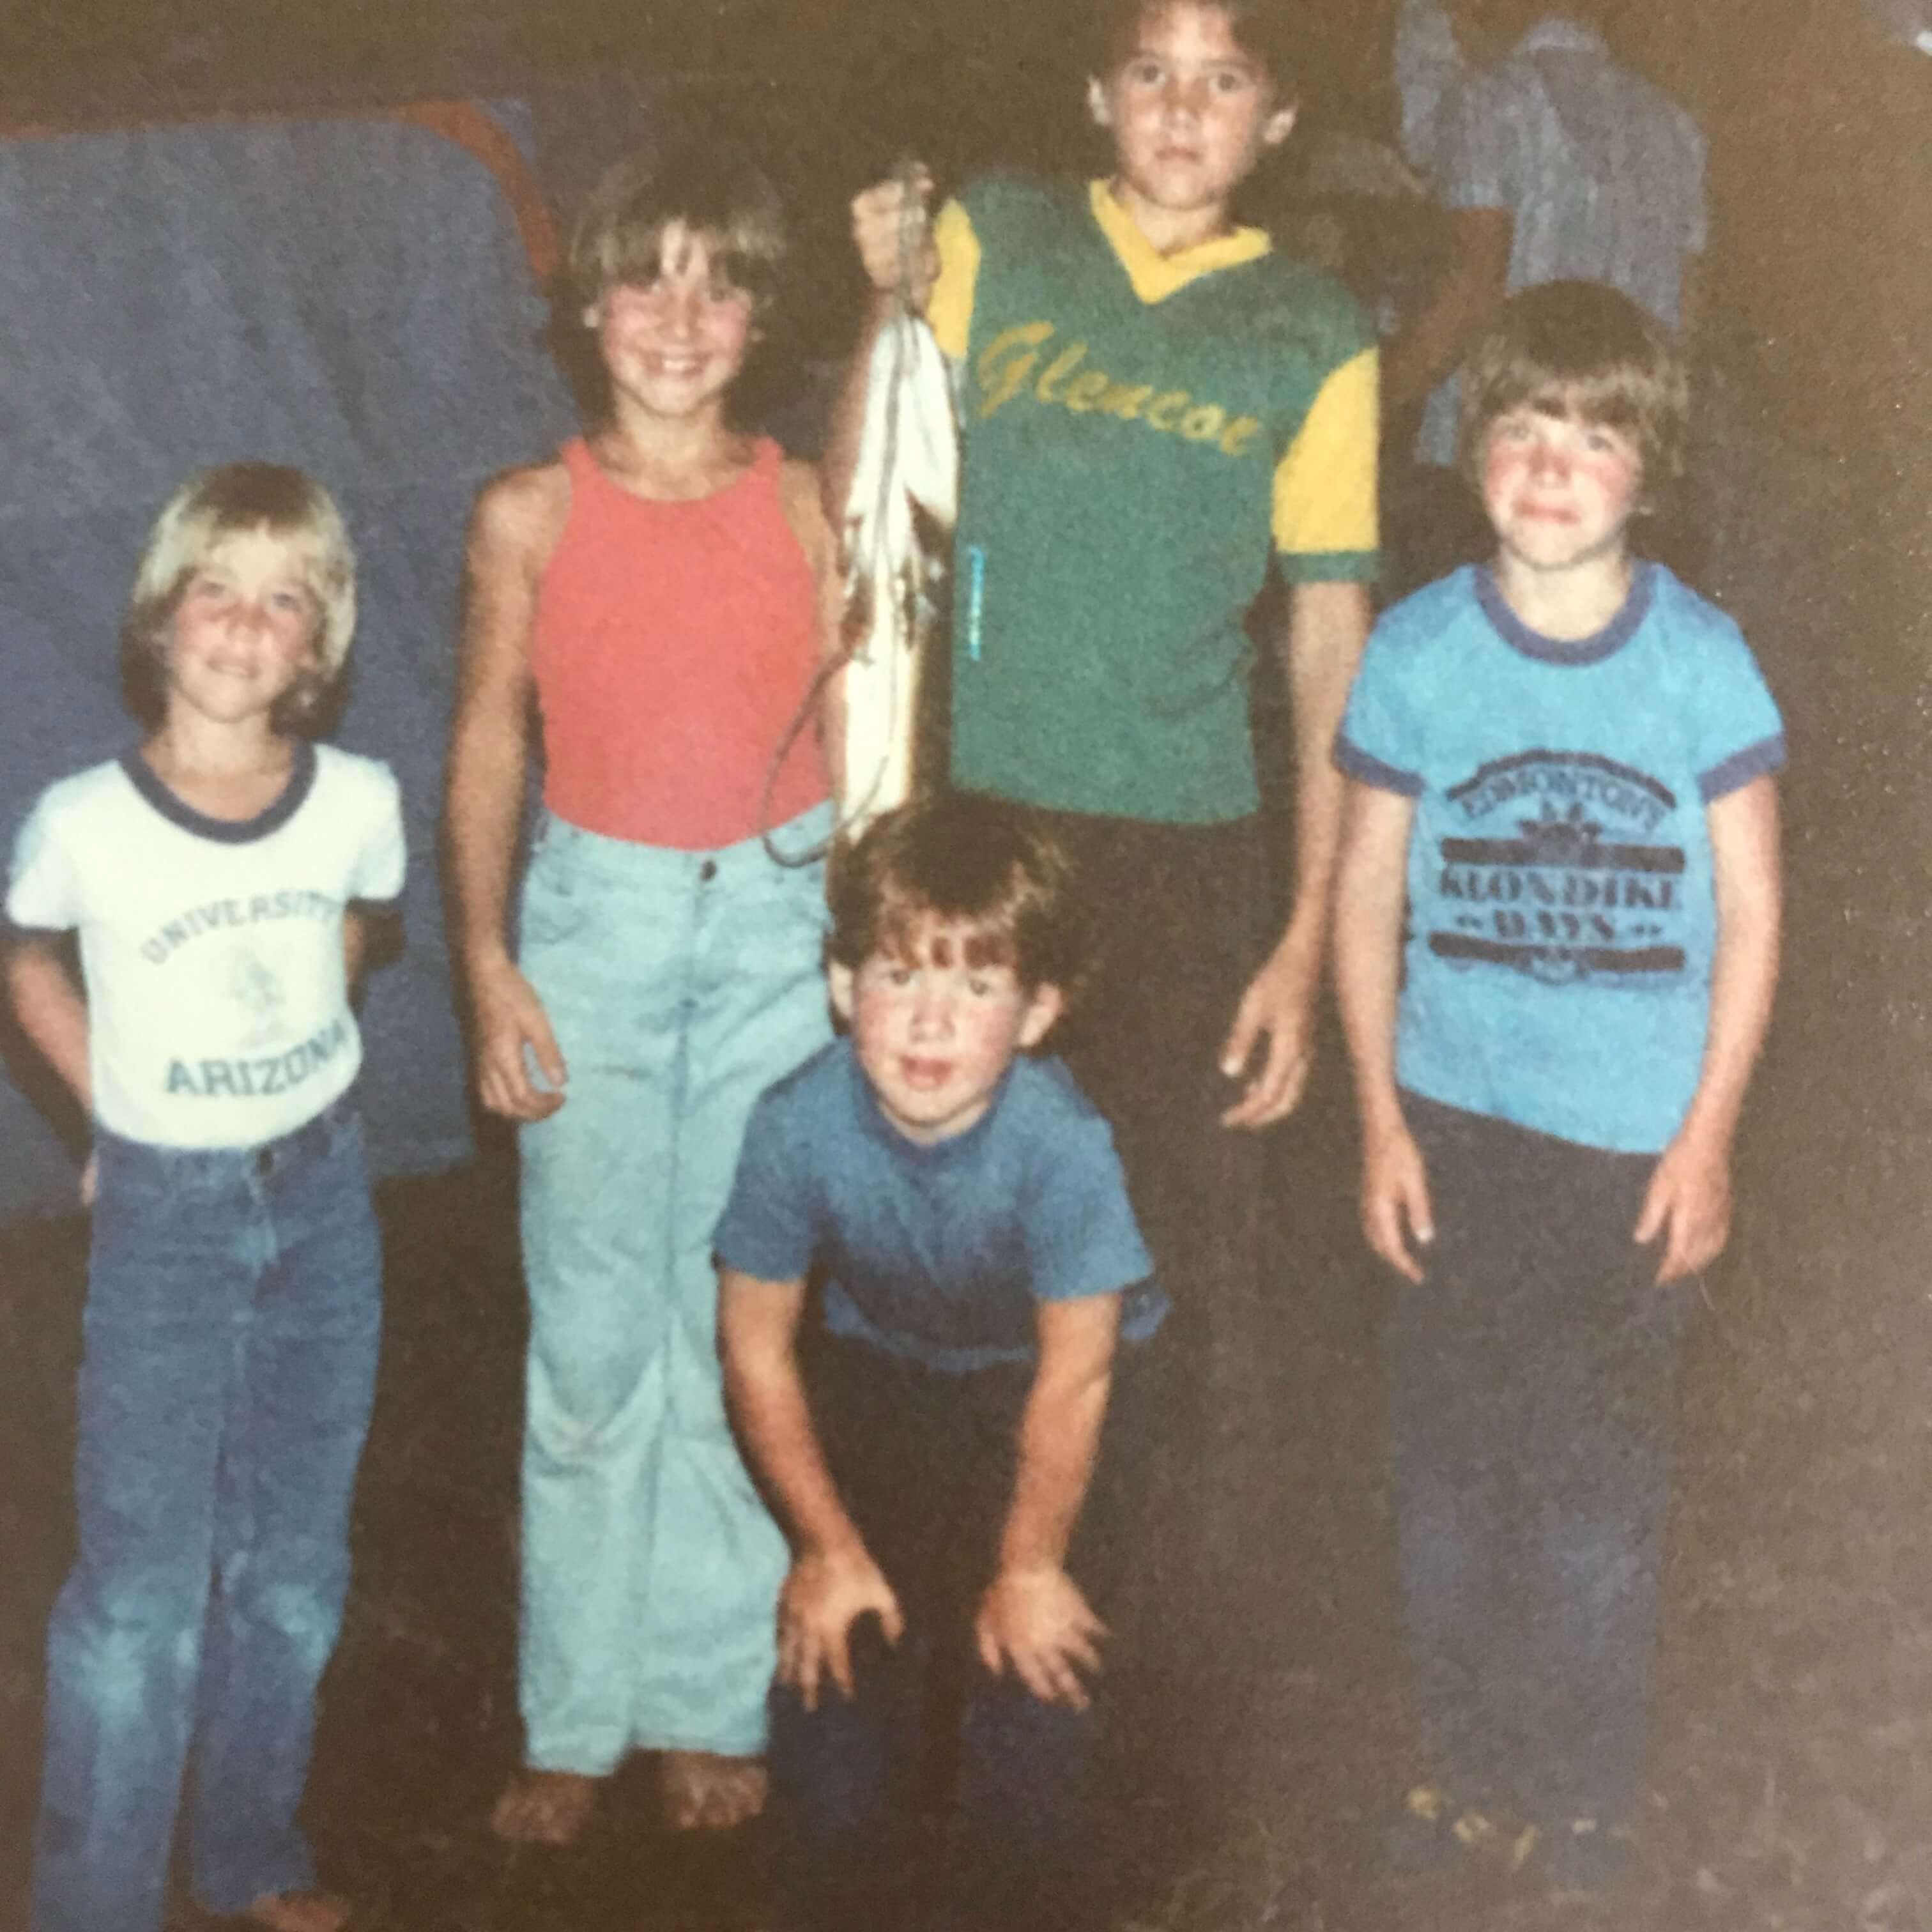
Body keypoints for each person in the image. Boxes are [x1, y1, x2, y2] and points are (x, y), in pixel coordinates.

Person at [832, 0, 1378, 1606]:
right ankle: (954, 1583)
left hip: (1191, 850)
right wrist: (886, 301)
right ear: (1098, 94)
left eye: (1225, 81)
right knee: (951, 1229)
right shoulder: (998, 230)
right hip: (991, 838)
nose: (1184, 110)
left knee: (1179, 1260)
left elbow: (1327, 627)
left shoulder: (1315, 324)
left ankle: (1158, 1631)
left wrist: (1298, 933)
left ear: (1277, 120)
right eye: (1153, 72)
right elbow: (867, 493)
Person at [1332, 282, 1784, 1890]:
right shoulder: (1418, 648)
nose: (1552, 465)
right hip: (1453, 1134)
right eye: (1523, 426)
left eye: (1596, 436)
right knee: (1453, 1486)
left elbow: (1755, 916)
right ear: (1475, 450)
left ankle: (1589, 1794)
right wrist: (1379, 1120)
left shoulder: (1701, 663)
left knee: (1599, 1503)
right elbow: (1365, 896)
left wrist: (1710, 1137)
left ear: (1648, 471)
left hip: (1631, 1151)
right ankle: (1465, 1772)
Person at [443, 141, 845, 1844]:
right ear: (585, 306)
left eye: (720, 281)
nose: (678, 316)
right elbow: (485, 741)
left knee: (730, 1320)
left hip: (781, 923)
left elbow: (884, 716)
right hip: (594, 925)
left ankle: (702, 1693)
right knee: (598, 1331)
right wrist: (482, 964)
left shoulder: (817, 498)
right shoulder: (526, 513)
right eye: (645, 276)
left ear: (760, 319)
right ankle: (571, 1709)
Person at [6, 465, 403, 1932]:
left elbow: (349, 931)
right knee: (141, 1599)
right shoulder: (82, 823)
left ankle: (249, 1859)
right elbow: (27, 953)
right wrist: (119, 1108)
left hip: (323, 1211)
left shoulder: (356, 801)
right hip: (166, 1227)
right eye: (216, 590)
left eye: (284, 600)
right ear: (162, 620)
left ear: (321, 647)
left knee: (293, 1571)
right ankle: (93, 1903)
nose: (245, 624)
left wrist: (271, 1086)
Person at [715, 793, 1164, 1931]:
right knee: (839, 1667)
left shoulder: (1063, 1147)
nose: (927, 1022)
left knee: (1032, 1674)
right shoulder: (789, 1125)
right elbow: (756, 1349)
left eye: (974, 985)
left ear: (1036, 1012)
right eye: (897, 974)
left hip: (1056, 1385)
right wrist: (823, 1548)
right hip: (891, 1373)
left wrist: (1025, 1565)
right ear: (837, 986)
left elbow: (1076, 1378)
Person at [1380, 0, 1708, 593]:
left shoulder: (1488, 100)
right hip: (1620, 471)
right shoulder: (1676, 126)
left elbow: (1469, 292)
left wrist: (1366, 405)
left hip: (1492, 468)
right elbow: (1686, 320)